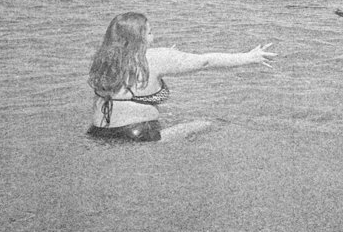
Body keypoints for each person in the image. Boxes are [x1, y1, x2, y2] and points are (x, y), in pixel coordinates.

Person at [87, 12, 276, 142]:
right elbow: (205, 61)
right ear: (138, 38)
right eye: (150, 32)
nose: (153, 37)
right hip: (138, 135)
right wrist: (249, 57)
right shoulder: (155, 57)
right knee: (212, 124)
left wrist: (169, 56)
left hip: (98, 133)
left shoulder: (104, 61)